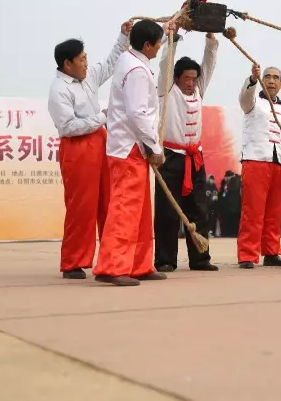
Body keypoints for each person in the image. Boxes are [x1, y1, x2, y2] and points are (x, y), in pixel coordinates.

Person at [92, 19, 174, 286]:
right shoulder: (137, 70)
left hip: (130, 147)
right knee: (125, 209)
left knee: (139, 211)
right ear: (148, 44)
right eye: (158, 42)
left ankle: (139, 264)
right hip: (129, 147)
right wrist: (155, 147)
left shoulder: (130, 61)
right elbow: (137, 114)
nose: (161, 47)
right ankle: (113, 267)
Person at [48, 21, 131, 279]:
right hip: (77, 148)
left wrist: (123, 35)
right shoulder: (58, 89)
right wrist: (101, 118)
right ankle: (73, 262)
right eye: (81, 60)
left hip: (99, 142)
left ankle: (110, 259)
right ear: (67, 64)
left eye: (86, 58)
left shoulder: (88, 76)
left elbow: (110, 63)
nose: (86, 63)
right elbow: (69, 126)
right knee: (81, 206)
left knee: (108, 201)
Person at [153, 27, 219, 272]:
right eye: (187, 78)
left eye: (194, 78)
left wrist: (211, 41)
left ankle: (200, 259)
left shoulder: (199, 91)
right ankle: (165, 260)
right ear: (176, 78)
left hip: (196, 158)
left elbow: (209, 66)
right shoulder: (167, 91)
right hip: (170, 157)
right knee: (168, 212)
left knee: (199, 209)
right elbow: (165, 66)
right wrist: (171, 40)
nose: (191, 83)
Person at [236, 63, 281, 269]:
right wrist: (251, 80)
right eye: (267, 76)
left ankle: (271, 252)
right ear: (261, 80)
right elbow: (244, 97)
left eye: (276, 77)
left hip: (278, 165)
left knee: (274, 212)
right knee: (253, 211)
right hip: (255, 160)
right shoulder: (252, 102)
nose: (271, 80)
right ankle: (247, 254)